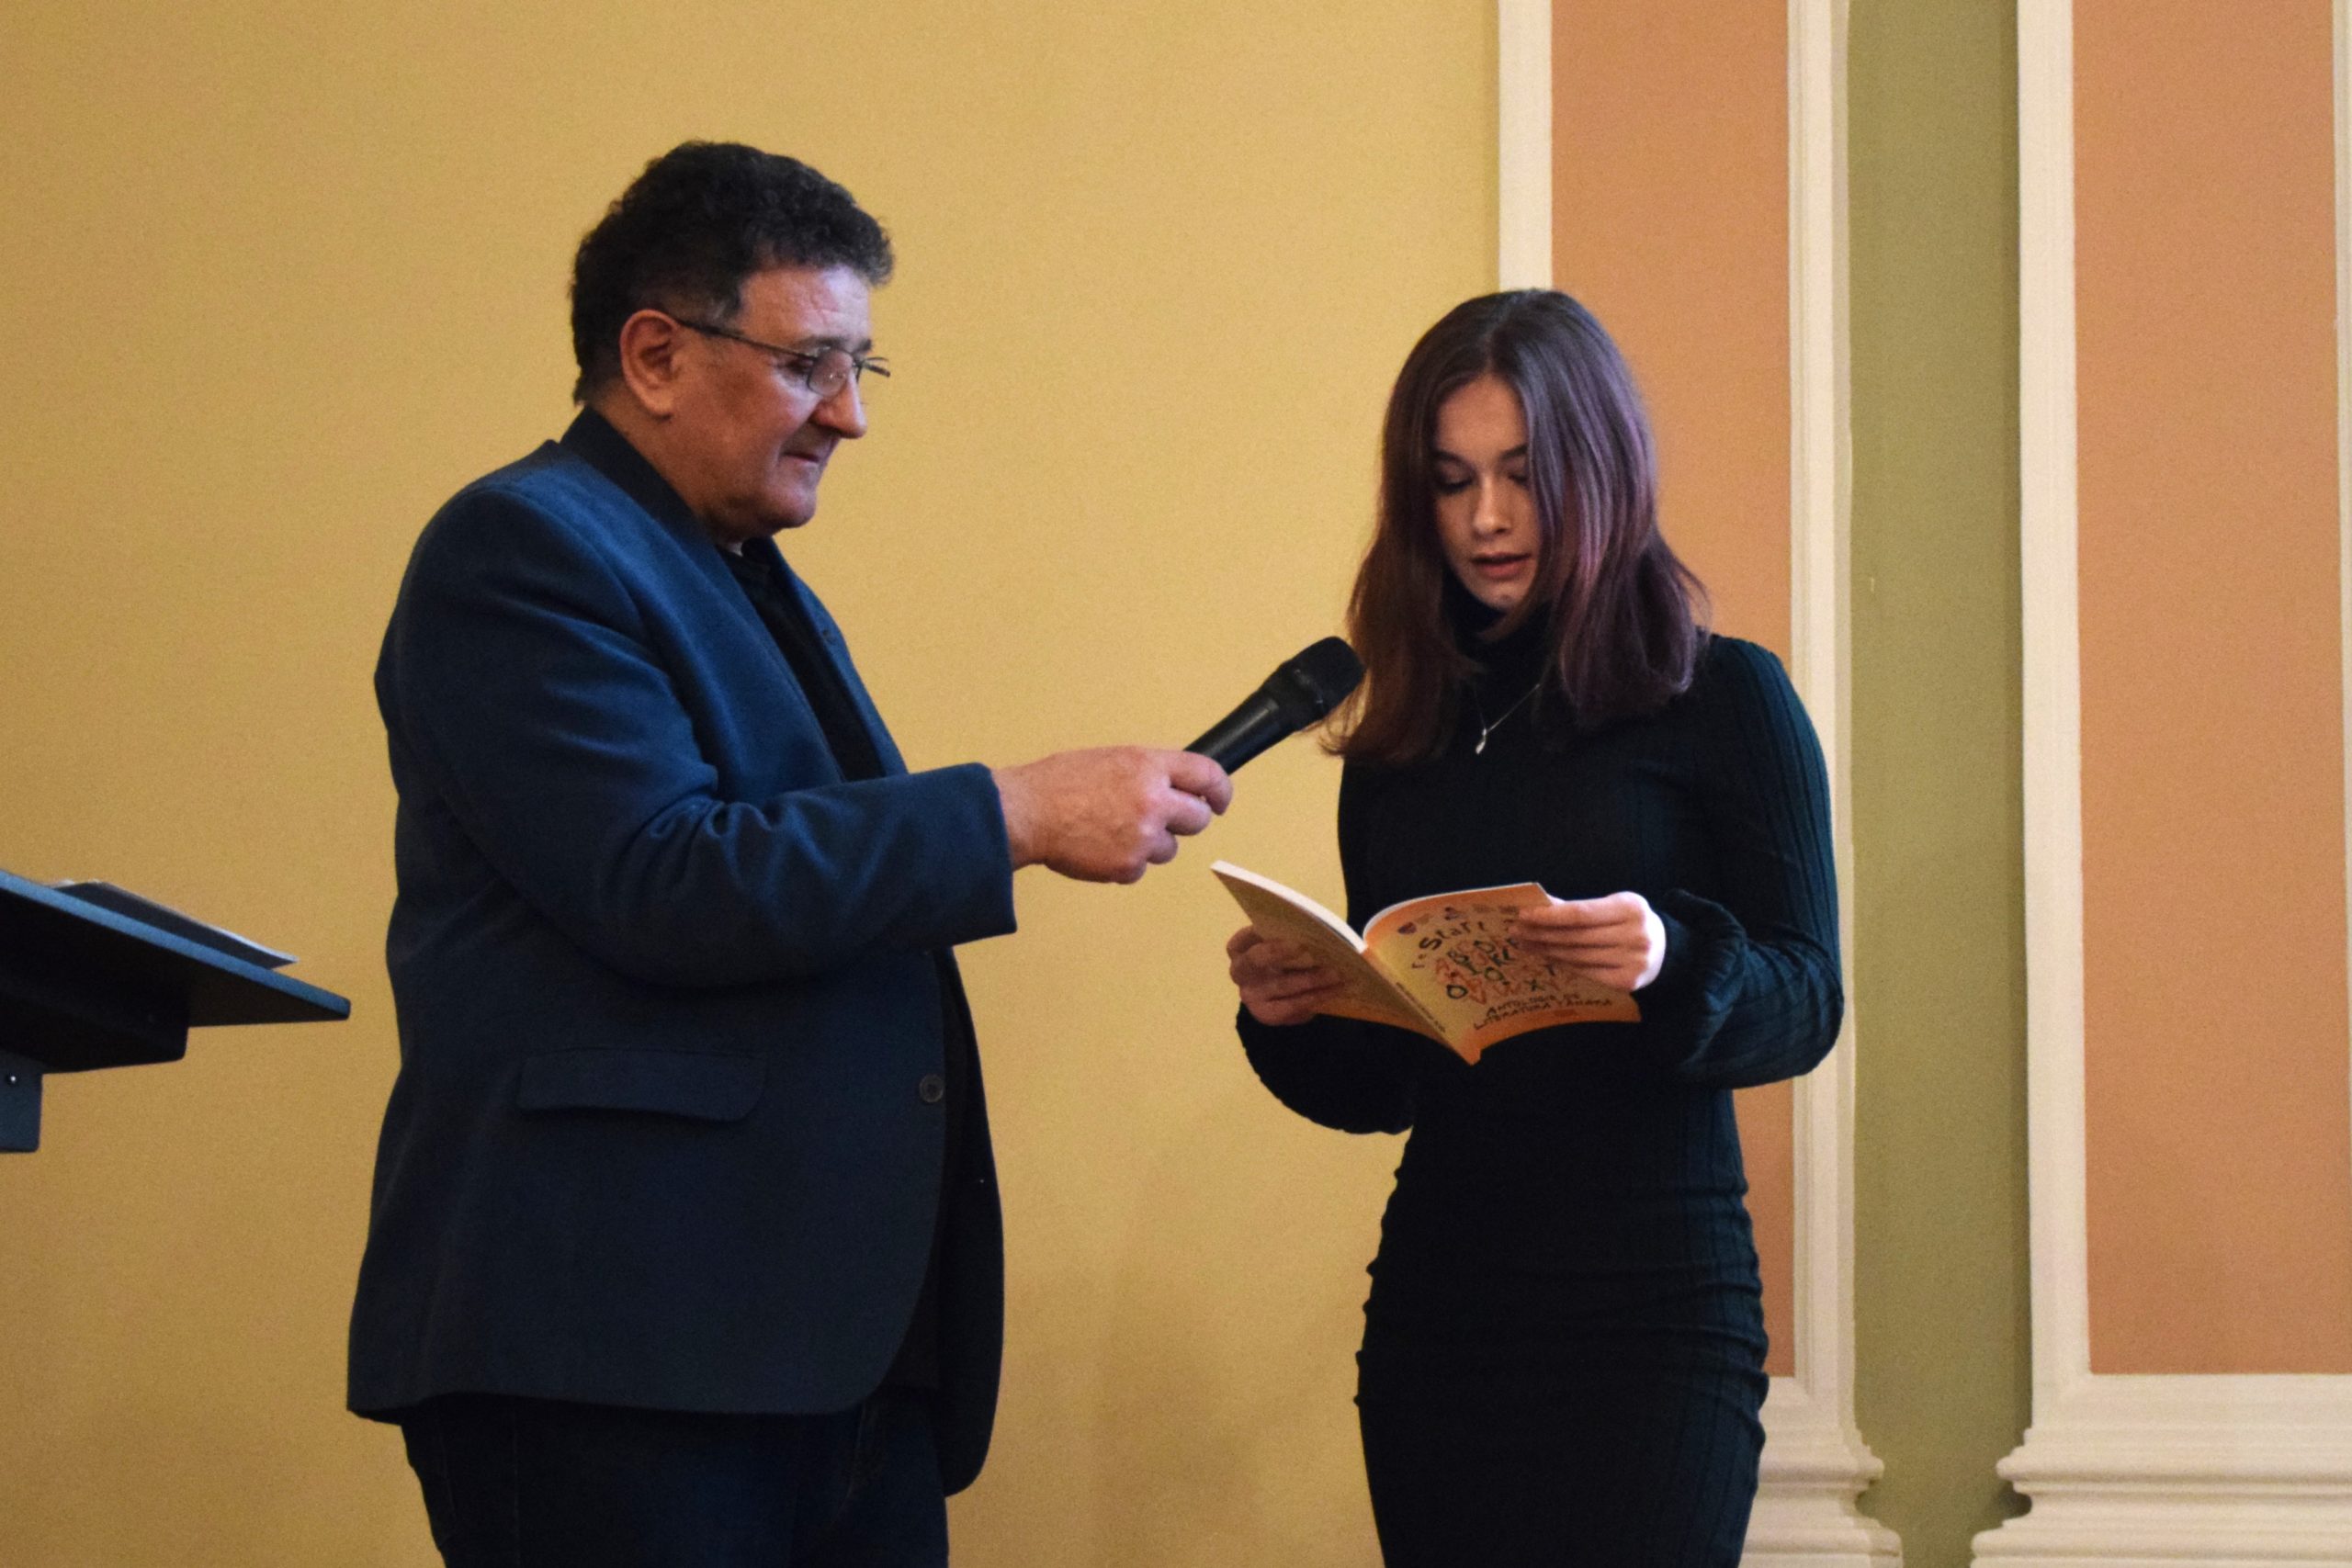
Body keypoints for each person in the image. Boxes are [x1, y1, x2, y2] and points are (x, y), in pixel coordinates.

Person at [347, 141, 1232, 1567]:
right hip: (620, 1361)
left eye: (860, 369)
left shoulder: (742, 573)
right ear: (654, 355)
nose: (849, 415)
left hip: (812, 1364)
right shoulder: (521, 548)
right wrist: (1009, 811)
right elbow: (663, 878)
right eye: (812, 364)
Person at [1224, 289, 1839, 1566]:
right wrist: (1296, 1014)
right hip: (1445, 1309)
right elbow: (1388, 1087)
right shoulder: (1400, 739)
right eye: (1451, 483)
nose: (1487, 519)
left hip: (1654, 1310)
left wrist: (1670, 960)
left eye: (1522, 476)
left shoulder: (1724, 694)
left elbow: (1808, 1000)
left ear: (1599, 472)